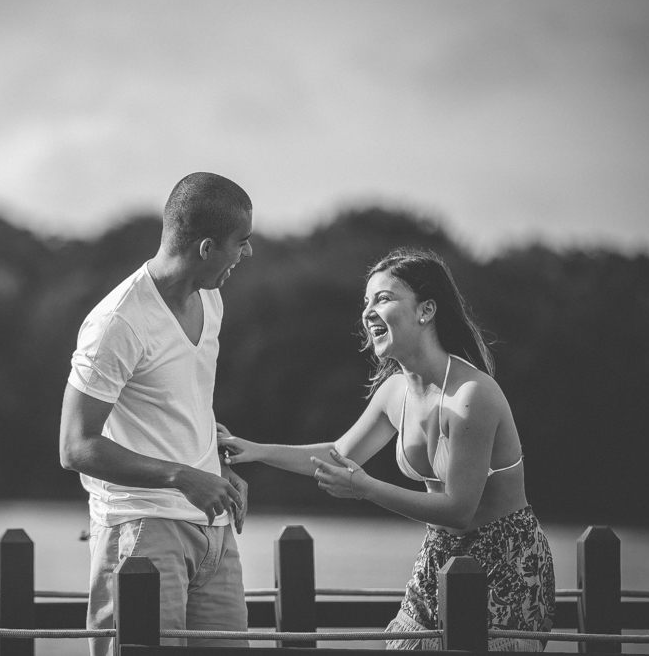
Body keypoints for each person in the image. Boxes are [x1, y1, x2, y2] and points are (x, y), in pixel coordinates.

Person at [218, 248, 556, 651]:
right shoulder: (395, 391)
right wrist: (254, 450)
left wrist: (366, 489)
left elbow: (459, 509)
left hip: (508, 559)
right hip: (441, 553)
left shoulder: (471, 396)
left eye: (383, 298)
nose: (368, 312)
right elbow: (338, 456)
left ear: (426, 310)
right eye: (366, 302)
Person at [60, 172, 254, 656]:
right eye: (241, 242)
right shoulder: (118, 322)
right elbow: (75, 446)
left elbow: (184, 404)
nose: (245, 255)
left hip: (214, 531)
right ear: (207, 248)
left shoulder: (212, 299)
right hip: (140, 533)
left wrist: (218, 466)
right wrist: (182, 476)